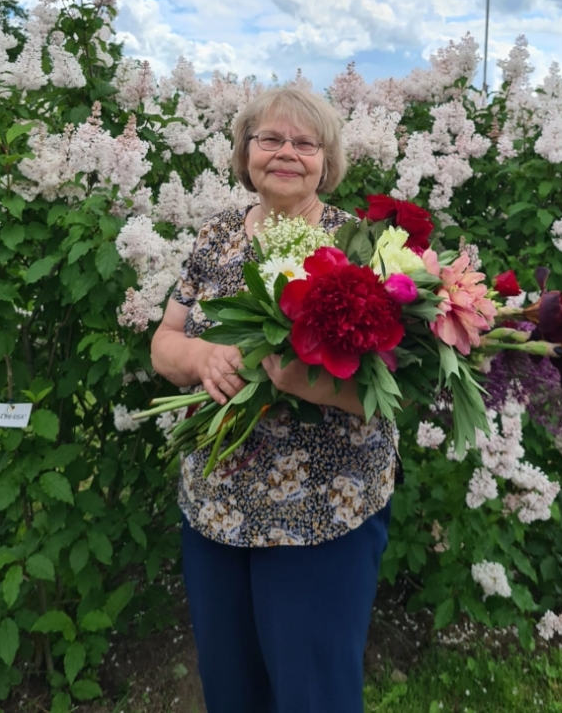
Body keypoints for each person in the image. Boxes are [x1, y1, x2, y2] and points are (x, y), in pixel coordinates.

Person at [151, 86, 396, 713]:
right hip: (215, 509)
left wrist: (301, 382)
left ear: (326, 160)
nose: (286, 153)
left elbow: (396, 393)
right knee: (232, 688)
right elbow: (163, 344)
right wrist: (202, 356)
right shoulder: (217, 237)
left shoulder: (365, 248)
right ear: (246, 153)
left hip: (320, 515)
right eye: (270, 139)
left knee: (314, 693)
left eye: (305, 143)